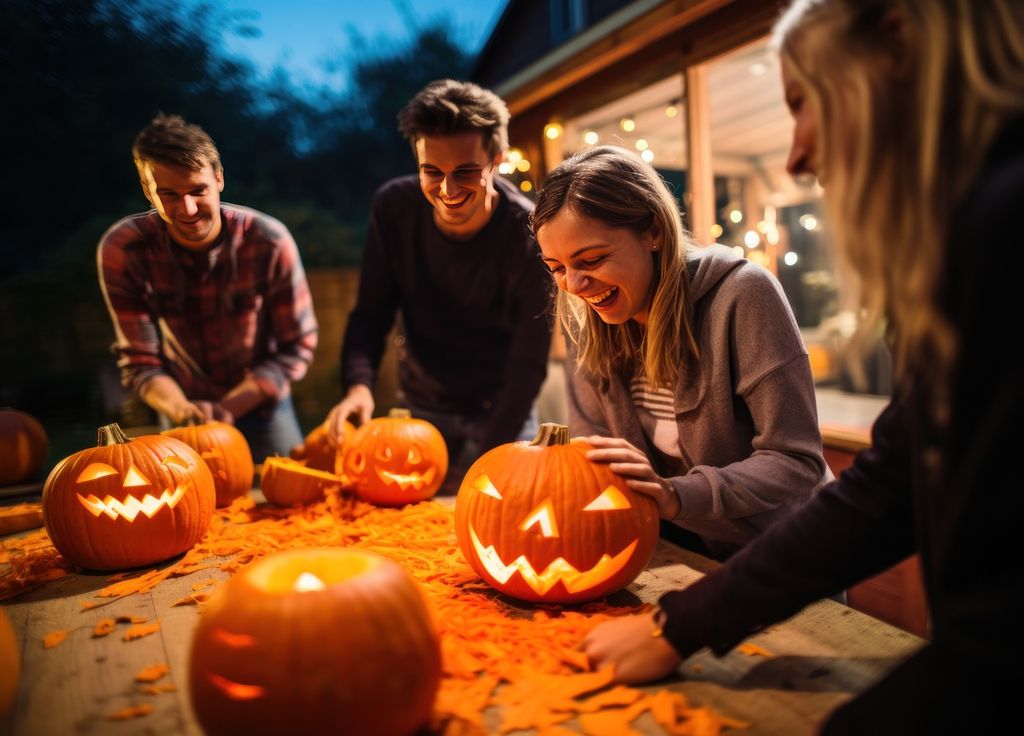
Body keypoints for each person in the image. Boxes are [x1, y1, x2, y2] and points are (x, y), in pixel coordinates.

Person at [581, 0, 1024, 732]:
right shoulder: (964, 243)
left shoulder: (1001, 234)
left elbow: (999, 630)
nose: (795, 155)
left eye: (804, 102)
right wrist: (683, 624)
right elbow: (891, 486)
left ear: (898, 55)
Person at [532, 145, 832, 561]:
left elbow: (795, 460)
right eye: (557, 267)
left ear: (653, 232)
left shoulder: (743, 295)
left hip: (782, 555)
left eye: (592, 260)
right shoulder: (584, 321)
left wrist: (675, 494)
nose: (575, 286)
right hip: (673, 549)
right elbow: (593, 454)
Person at [325, 79, 552, 493]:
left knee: (500, 515)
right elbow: (371, 314)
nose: (447, 190)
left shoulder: (531, 231)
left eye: (465, 172)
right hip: (424, 406)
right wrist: (358, 386)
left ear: (497, 161)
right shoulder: (394, 208)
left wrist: (486, 457)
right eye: (432, 172)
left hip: (504, 403)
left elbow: (529, 359)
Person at [98, 114, 318, 462]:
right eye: (168, 194)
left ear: (219, 178)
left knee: (291, 494)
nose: (187, 210)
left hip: (263, 404)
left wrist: (229, 406)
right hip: (182, 407)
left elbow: (298, 346)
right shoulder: (124, 250)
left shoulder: (269, 241)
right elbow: (141, 362)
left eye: (198, 191)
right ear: (147, 189)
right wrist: (184, 410)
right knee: (186, 505)